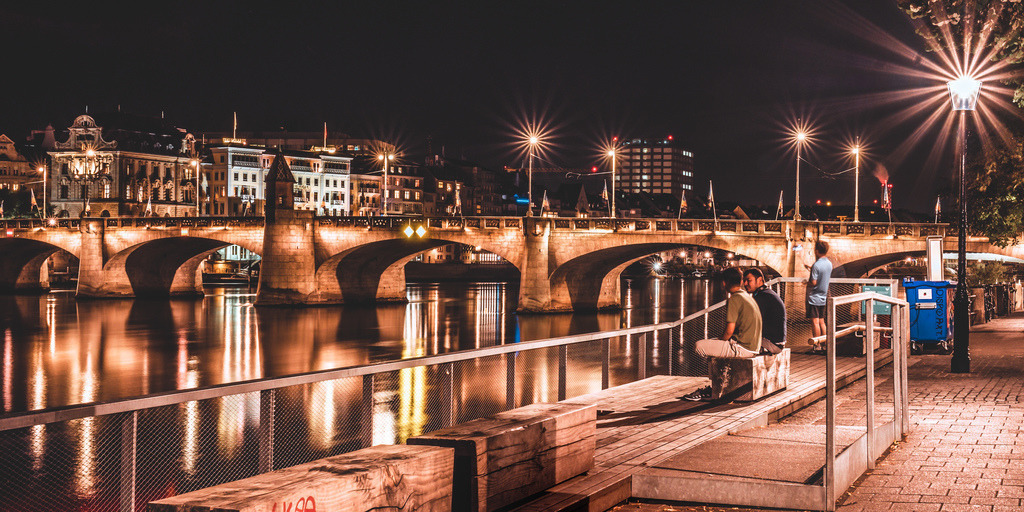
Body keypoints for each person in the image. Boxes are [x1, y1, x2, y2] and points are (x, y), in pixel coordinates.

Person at [684, 267, 762, 401]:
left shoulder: (734, 299)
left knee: (700, 346)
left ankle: (713, 388)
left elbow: (728, 332)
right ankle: (716, 384)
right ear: (741, 281)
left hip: (742, 348)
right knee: (714, 344)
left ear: (724, 283)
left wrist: (721, 339)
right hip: (753, 346)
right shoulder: (747, 297)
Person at [743, 268, 786, 354]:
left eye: (748, 280)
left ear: (759, 280)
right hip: (776, 343)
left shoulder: (761, 298)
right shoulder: (768, 293)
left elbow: (751, 324)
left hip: (770, 344)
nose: (745, 284)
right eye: (744, 281)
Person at [805, 240, 833, 351]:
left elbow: (814, 282)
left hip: (814, 297)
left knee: (815, 322)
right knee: (822, 321)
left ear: (817, 250)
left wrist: (806, 282)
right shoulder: (829, 264)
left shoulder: (816, 265)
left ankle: (816, 345)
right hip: (824, 296)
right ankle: (825, 344)